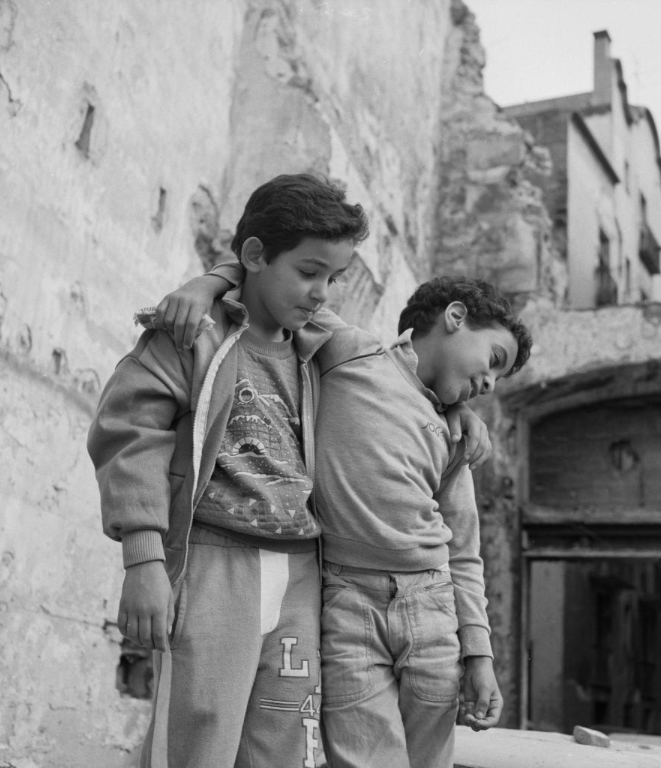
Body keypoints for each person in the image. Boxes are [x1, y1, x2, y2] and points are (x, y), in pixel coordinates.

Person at [88, 173, 489, 768]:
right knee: (200, 737)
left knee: (288, 743)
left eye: (334, 277)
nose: (322, 291)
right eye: (308, 272)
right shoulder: (190, 337)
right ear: (254, 256)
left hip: (303, 573)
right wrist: (143, 558)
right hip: (213, 561)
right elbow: (129, 435)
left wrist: (455, 408)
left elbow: (397, 379)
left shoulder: (321, 346)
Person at [156, 262, 532, 767]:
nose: (489, 383)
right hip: (346, 600)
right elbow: (268, 282)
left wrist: (479, 656)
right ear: (455, 317)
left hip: (432, 604)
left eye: (496, 379)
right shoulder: (351, 353)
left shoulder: (456, 433)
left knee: (428, 758)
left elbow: (464, 551)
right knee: (361, 757)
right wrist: (207, 284)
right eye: (494, 360)